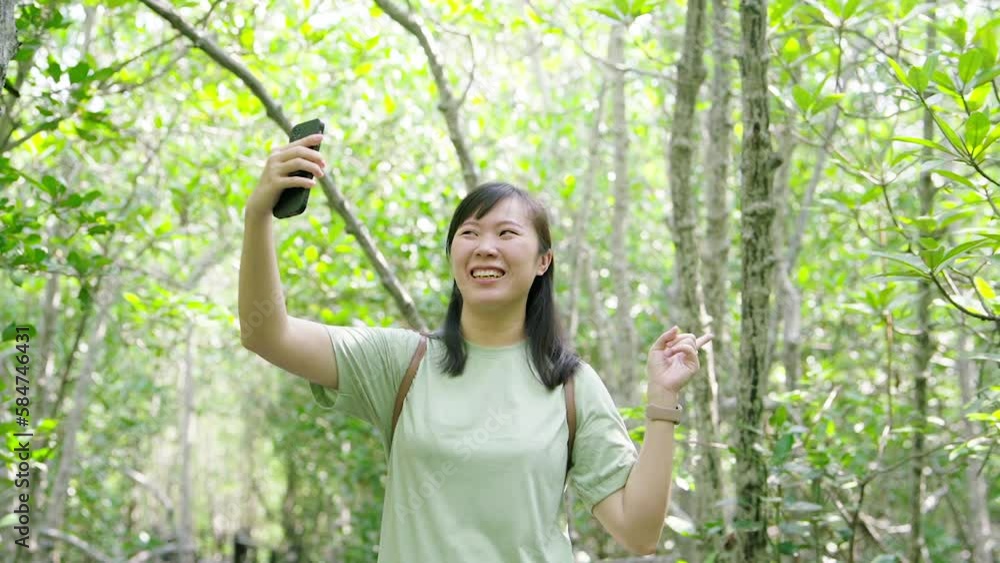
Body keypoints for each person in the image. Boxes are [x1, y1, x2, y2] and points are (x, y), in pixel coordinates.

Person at [239, 132, 713, 561]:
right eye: (469, 233)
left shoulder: (570, 384)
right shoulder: (402, 362)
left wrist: (662, 402)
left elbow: (638, 531)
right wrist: (258, 214)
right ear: (453, 256)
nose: (485, 247)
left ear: (543, 261)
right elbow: (267, 334)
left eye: (506, 233)